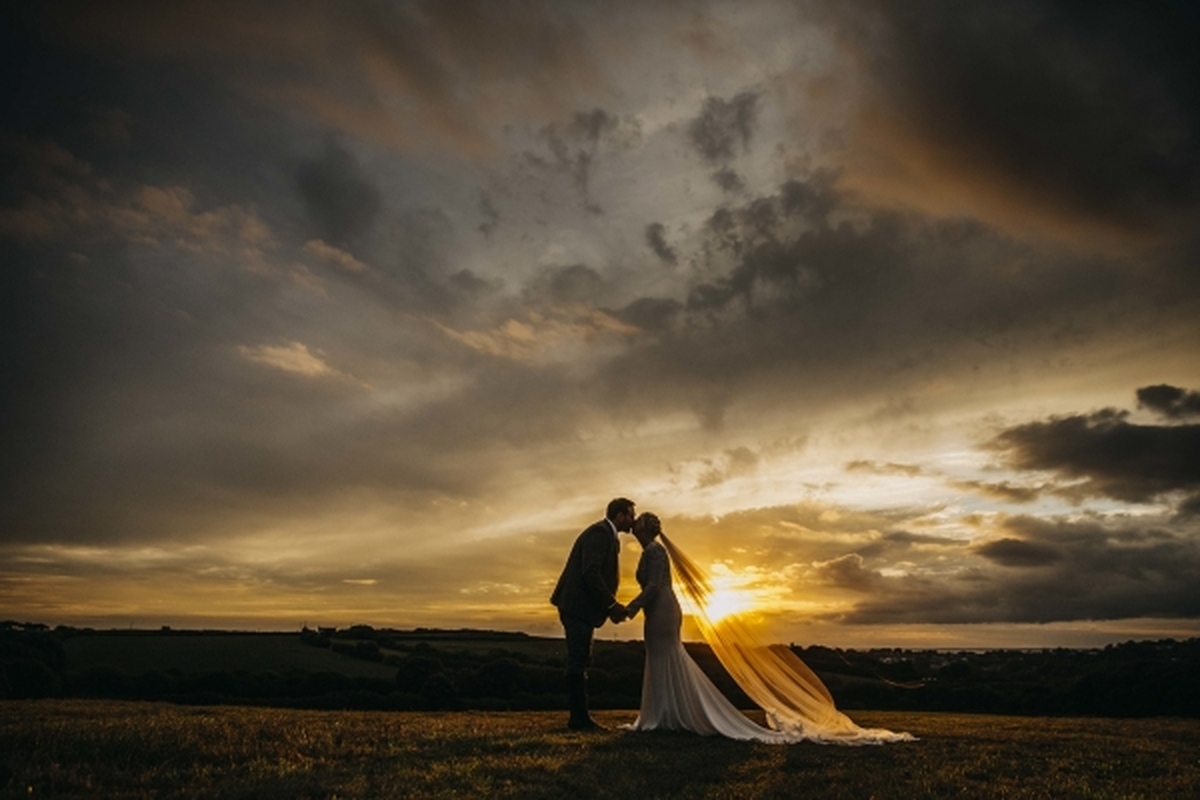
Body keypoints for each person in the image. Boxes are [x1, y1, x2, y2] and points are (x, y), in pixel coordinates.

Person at [624, 512, 915, 745]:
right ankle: (660, 714)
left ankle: (667, 715)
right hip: (656, 610)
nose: (633, 524)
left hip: (661, 609)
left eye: (637, 521)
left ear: (647, 529)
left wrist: (632, 606)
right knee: (660, 657)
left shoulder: (655, 552)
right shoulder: (649, 551)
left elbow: (653, 586)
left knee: (667, 656)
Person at [550, 497, 635, 730]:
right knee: (578, 659)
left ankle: (579, 718)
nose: (633, 520)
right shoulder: (599, 533)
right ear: (619, 516)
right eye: (630, 515)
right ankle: (578, 720)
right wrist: (611, 605)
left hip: (582, 607)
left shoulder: (607, 535)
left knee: (581, 658)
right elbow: (590, 572)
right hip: (577, 606)